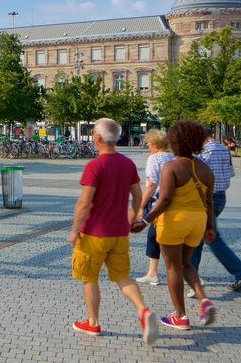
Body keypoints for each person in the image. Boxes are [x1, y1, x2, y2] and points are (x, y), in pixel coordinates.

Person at [68, 118, 158, 345]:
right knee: (122, 276)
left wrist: (74, 230)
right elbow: (138, 197)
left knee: (89, 278)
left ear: (97, 138)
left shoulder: (95, 166)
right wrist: (131, 218)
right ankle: (143, 310)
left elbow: (84, 203)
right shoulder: (127, 164)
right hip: (119, 233)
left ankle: (93, 322)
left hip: (94, 233)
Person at [135, 120, 218, 330]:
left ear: (174, 141)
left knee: (173, 267)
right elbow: (209, 202)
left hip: (174, 221)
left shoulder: (171, 167)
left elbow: (163, 200)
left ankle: (180, 316)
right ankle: (203, 300)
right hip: (198, 221)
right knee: (185, 263)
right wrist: (210, 227)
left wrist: (145, 220)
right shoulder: (206, 169)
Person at [188, 128, 241, 293]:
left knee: (212, 238)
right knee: (198, 236)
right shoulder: (225, 150)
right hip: (220, 198)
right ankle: (192, 275)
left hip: (206, 200)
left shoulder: (203, 153)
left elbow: (196, 176)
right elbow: (229, 173)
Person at [135, 129, 174, 286]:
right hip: (172, 200)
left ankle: (154, 273)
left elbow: (151, 184)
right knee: (156, 234)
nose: (148, 147)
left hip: (157, 201)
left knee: (155, 235)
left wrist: (140, 205)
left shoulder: (154, 159)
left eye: (149, 144)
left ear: (156, 144)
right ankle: (153, 272)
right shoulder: (172, 158)